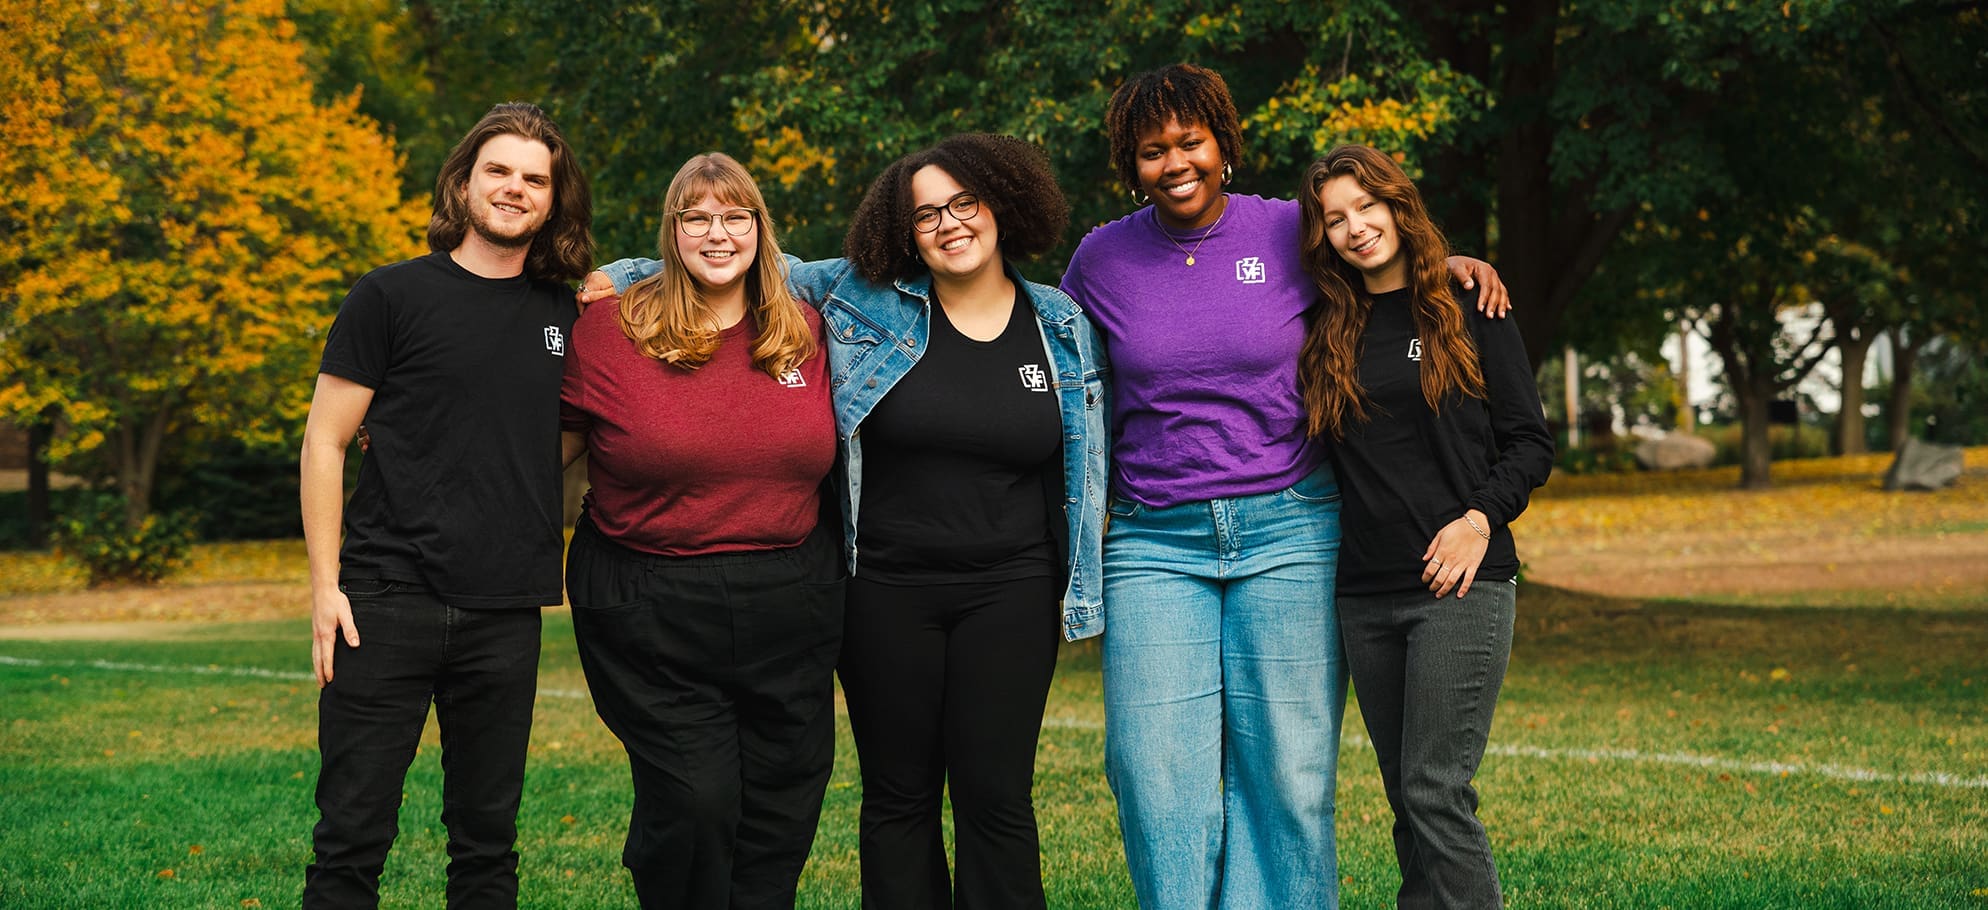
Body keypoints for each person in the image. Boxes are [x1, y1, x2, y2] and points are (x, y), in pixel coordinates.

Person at [588, 133, 1109, 909]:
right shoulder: (864, 297)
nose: (948, 223)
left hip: (1011, 589)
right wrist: (620, 273)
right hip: (883, 590)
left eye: (965, 203)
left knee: (996, 797)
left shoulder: (1059, 321)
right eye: (925, 212)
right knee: (896, 796)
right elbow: (749, 257)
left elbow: (1087, 461)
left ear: (1002, 204)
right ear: (903, 228)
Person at [1057, 63, 1506, 910]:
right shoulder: (1101, 259)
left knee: (1289, 774)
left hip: (1291, 529)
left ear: (1225, 145)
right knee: (1152, 772)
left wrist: (1457, 264)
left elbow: (1377, 254)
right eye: (1152, 151)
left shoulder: (1287, 232)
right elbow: (1048, 350)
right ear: (1131, 162)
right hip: (1155, 539)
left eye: (1191, 141)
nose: (1175, 162)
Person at [299, 101, 593, 909]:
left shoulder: (566, 315)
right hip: (384, 601)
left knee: (487, 843)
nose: (514, 188)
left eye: (535, 179)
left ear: (552, 199)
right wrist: (327, 589)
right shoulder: (388, 297)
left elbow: (561, 438)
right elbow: (325, 442)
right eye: (498, 170)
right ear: (463, 182)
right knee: (351, 838)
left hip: (506, 608)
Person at [559, 152, 844, 909]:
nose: (718, 234)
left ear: (760, 228)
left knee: (784, 802)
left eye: (735, 217)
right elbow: (529, 449)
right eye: (698, 218)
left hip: (793, 598)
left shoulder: (807, 330)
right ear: (672, 231)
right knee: (695, 802)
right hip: (649, 600)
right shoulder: (610, 329)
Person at [1297, 145, 1553, 909]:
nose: (1355, 228)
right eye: (1334, 219)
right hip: (1364, 593)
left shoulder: (1469, 303)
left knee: (1435, 790)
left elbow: (1531, 443)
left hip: (1461, 583)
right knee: (1407, 801)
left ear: (1396, 205)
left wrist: (1479, 520)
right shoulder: (1324, 326)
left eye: (1366, 206)